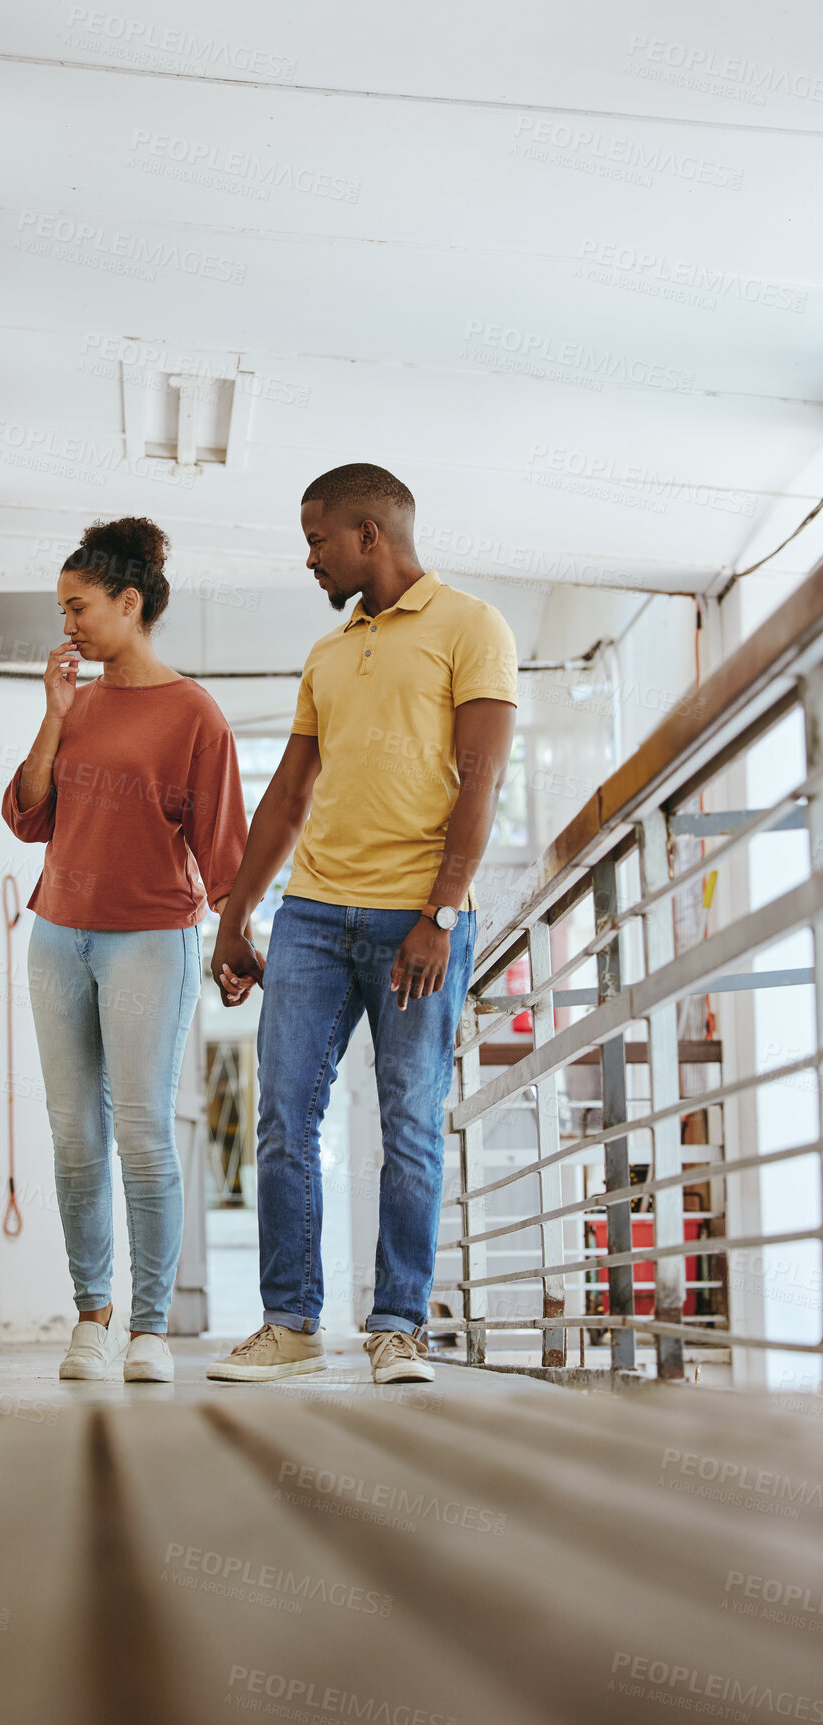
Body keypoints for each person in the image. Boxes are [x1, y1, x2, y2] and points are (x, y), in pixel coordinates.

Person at [207, 464, 518, 1386]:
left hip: (416, 919)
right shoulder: (328, 654)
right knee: (280, 1118)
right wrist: (237, 913)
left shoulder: (472, 627)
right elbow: (289, 794)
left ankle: (398, 1325)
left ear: (370, 535)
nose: (309, 558)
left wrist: (442, 911)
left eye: (318, 540)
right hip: (311, 914)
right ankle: (290, 1321)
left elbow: (483, 779)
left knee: (411, 1123)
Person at [1, 517, 252, 1383]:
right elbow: (29, 814)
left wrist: (234, 938)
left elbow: (225, 849)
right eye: (61, 609)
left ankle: (149, 1328)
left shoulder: (194, 714)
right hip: (59, 935)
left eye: (79, 606)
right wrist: (52, 716)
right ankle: (91, 1317)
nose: (66, 623)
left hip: (152, 939)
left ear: (129, 602)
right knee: (74, 1135)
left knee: (143, 1132)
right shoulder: (76, 703)